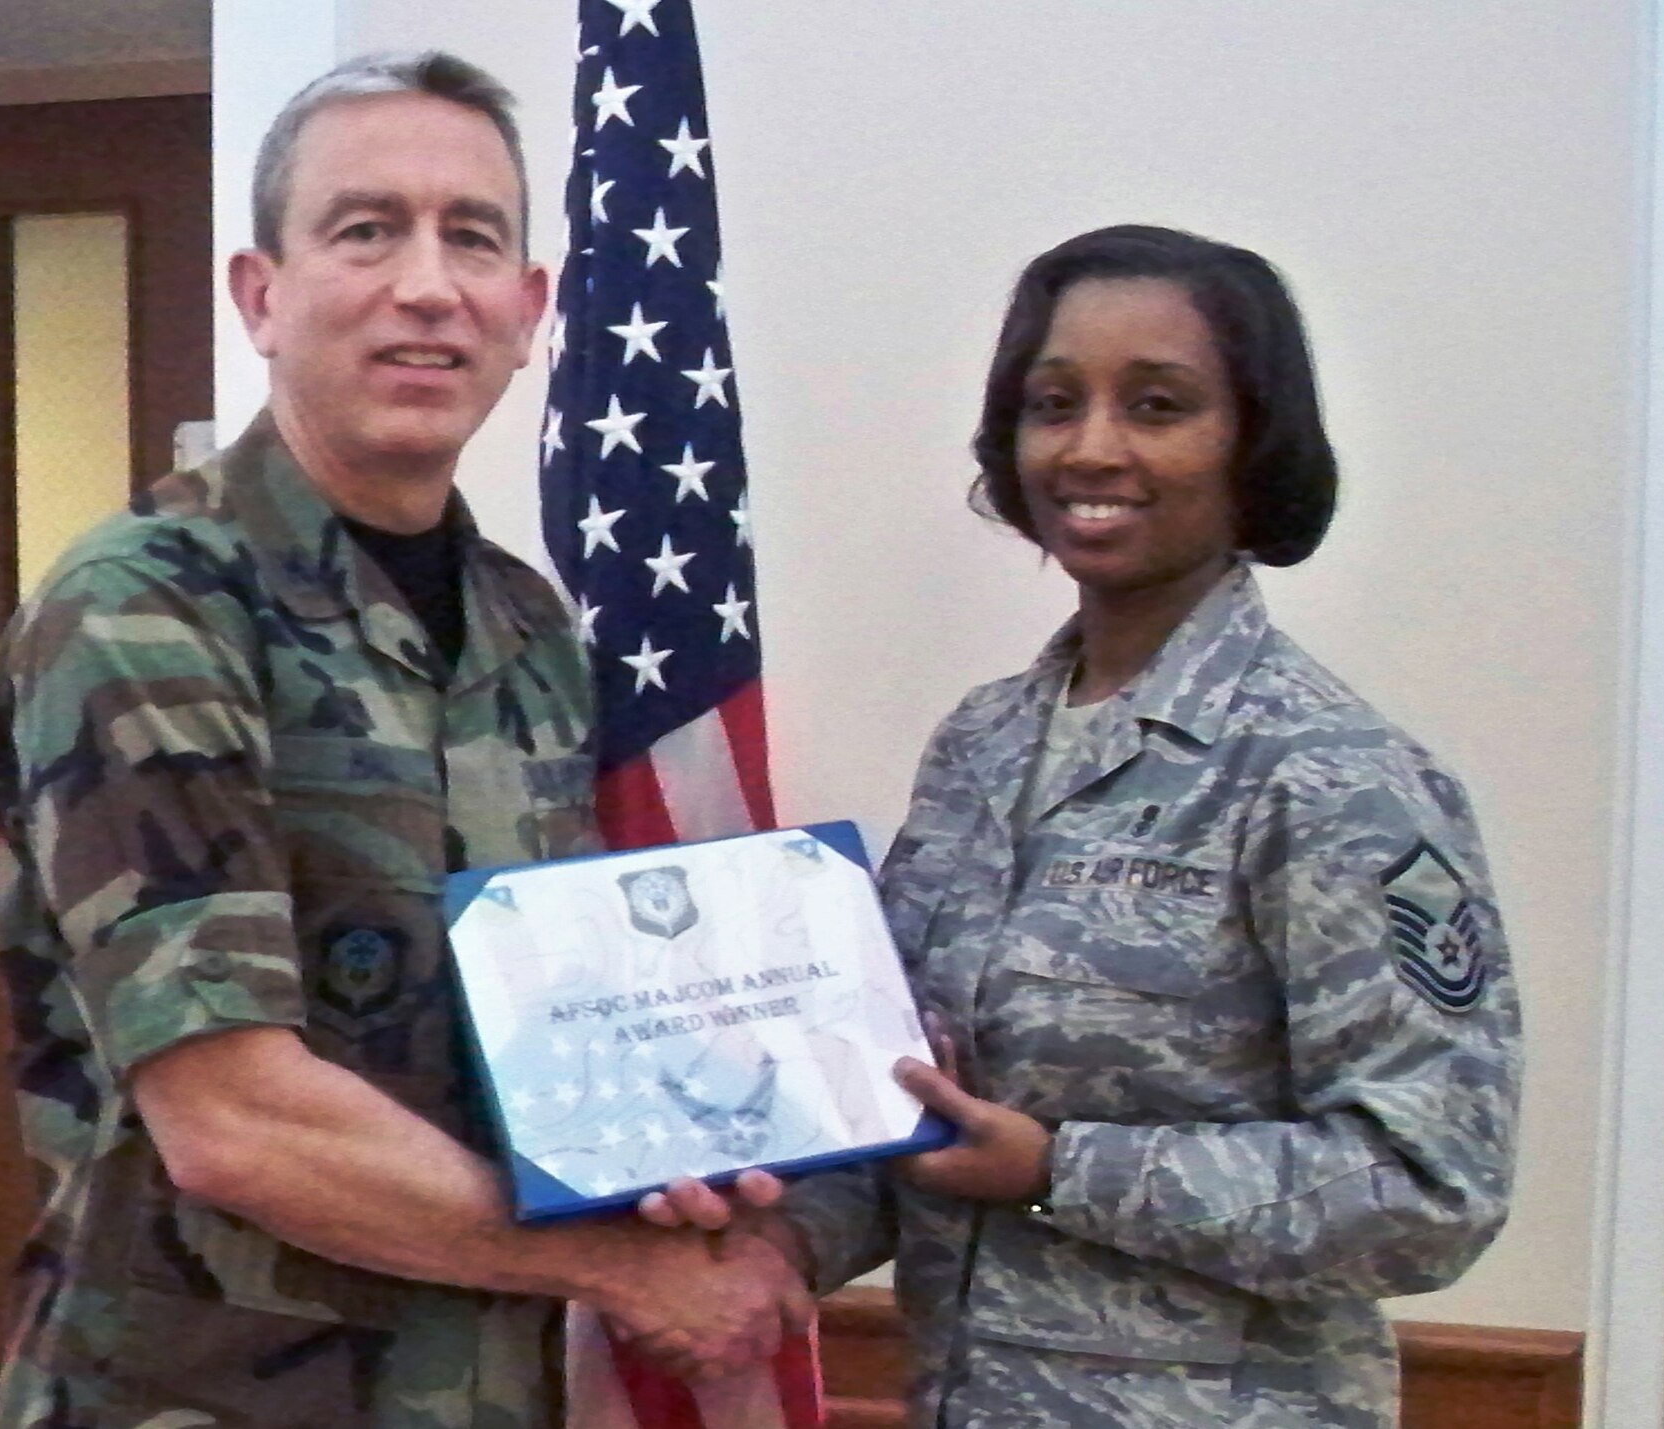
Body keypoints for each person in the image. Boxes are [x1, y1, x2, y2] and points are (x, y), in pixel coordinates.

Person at [0, 51, 806, 1429]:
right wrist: (615, 1264)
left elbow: (578, 1022)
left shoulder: (528, 629)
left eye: (472, 237)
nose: (428, 284)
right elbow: (236, 1116)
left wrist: (758, 1158)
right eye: (367, 230)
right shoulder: (148, 604)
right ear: (263, 294)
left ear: (528, 309)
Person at [646, 224, 1521, 1427]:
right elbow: (912, 1107)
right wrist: (777, 1247)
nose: (1091, 447)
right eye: (1052, 404)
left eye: (1156, 405)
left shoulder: (1330, 774)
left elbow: (1430, 1186)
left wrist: (1061, 1170)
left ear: (1249, 439)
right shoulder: (982, 745)